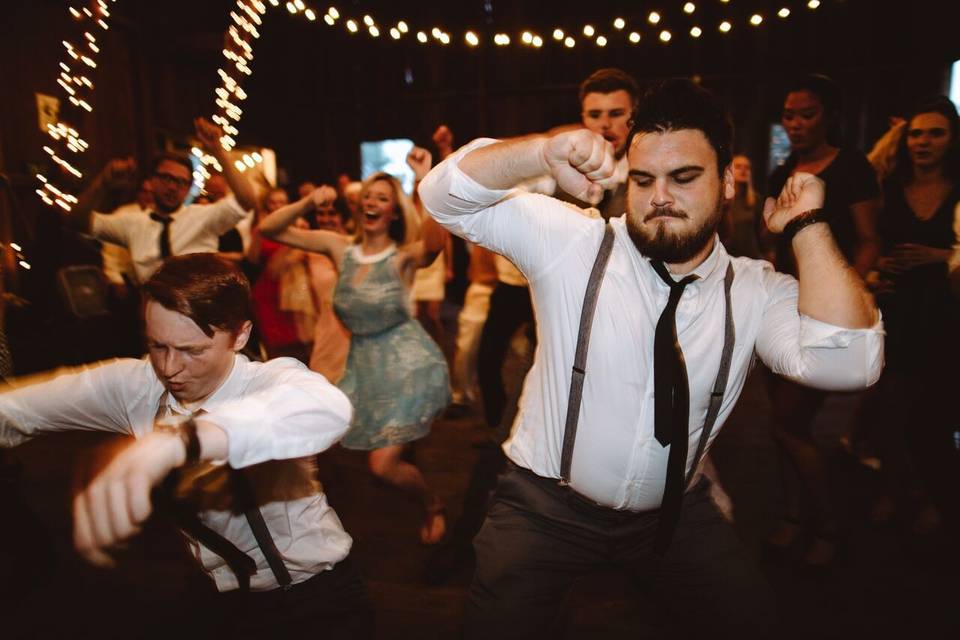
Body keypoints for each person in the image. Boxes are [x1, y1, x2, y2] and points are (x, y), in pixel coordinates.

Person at [419, 79, 883, 638]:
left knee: (752, 618)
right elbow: (444, 197)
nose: (660, 196)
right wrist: (541, 150)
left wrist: (808, 227)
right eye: (644, 180)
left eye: (684, 178)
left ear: (727, 182)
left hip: (677, 514)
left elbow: (850, 364)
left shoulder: (756, 289)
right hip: (545, 506)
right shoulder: (577, 243)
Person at [0, 254, 373, 638]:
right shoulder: (135, 386)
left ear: (240, 336)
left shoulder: (270, 382)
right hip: (221, 600)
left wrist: (185, 440)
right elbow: (16, 409)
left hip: (317, 600)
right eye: (157, 345)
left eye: (192, 351)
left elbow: (326, 409)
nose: (170, 368)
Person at [259, 152, 451, 545]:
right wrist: (309, 202)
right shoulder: (337, 246)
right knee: (323, 438)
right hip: (360, 366)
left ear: (394, 212)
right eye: (367, 195)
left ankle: (432, 504)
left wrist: (424, 181)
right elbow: (270, 227)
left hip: (405, 366)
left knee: (382, 467)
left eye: (381, 198)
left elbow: (433, 243)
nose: (370, 202)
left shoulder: (402, 258)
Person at [764, 75, 882, 567]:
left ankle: (829, 527)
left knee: (789, 423)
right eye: (789, 115)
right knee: (781, 425)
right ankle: (796, 517)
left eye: (806, 113)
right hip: (785, 311)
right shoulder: (782, 173)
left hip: (827, 312)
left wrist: (842, 302)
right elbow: (774, 250)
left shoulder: (851, 167)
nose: (795, 124)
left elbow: (870, 240)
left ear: (828, 115)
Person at [868, 96, 960, 532]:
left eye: (935, 132)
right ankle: (892, 488)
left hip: (946, 313)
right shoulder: (889, 186)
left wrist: (939, 255)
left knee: (934, 413)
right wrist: (876, 268)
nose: (923, 142)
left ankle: (931, 495)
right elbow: (870, 241)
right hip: (896, 308)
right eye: (916, 133)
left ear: (952, 138)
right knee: (889, 409)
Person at [66, 119, 258, 284]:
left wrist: (218, 150)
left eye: (181, 182)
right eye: (166, 178)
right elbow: (77, 221)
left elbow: (247, 200)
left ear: (188, 187)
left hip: (201, 311)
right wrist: (103, 183)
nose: (173, 187)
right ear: (152, 180)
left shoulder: (203, 217)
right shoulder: (132, 222)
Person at [720, 154, 763, 258]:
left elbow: (759, 233)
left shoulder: (755, 199)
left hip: (751, 257)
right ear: (729, 171)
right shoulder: (722, 198)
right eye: (738, 166)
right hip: (728, 257)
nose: (743, 170)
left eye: (747, 167)